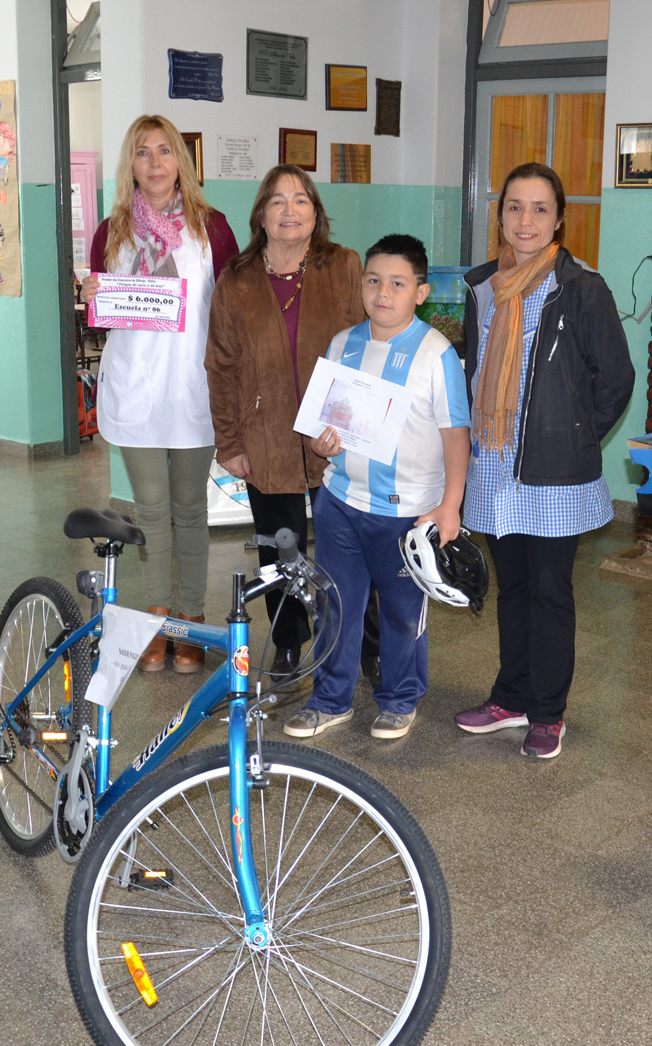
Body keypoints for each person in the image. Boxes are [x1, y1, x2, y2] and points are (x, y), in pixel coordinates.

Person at [453, 163, 636, 760]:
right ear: (500, 216)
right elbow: (476, 369)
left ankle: (548, 712)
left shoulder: (582, 288)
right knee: (512, 588)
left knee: (551, 592)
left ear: (559, 219)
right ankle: (511, 697)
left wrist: (576, 437)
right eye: (514, 207)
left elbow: (616, 378)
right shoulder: (483, 286)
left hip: (554, 471)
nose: (525, 220)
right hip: (494, 463)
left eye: (539, 209)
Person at [284, 234, 470, 740]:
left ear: (421, 292)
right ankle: (330, 701)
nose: (382, 293)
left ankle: (399, 699)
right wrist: (322, 445)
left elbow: (456, 435)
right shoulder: (342, 343)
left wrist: (450, 505)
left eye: (397, 283)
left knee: (402, 612)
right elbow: (325, 427)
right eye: (373, 281)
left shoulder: (436, 354)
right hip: (340, 501)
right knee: (336, 606)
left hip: (406, 511)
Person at [81, 114, 238, 673]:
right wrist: (92, 295)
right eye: (143, 152)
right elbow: (104, 318)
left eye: (165, 151)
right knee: (150, 510)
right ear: (131, 163)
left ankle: (190, 622)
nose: (154, 162)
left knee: (190, 509)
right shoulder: (111, 231)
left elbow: (232, 307)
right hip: (137, 387)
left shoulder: (212, 227)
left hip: (192, 388)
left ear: (181, 162)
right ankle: (156, 620)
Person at [206, 165, 365, 677]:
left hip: (336, 436)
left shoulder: (343, 266)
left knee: (350, 547)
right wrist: (229, 443)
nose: (289, 210)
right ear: (261, 215)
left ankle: (363, 643)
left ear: (315, 213)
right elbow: (220, 366)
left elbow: (367, 346)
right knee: (279, 548)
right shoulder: (236, 279)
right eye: (277, 200)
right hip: (265, 436)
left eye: (300, 200)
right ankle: (289, 639)